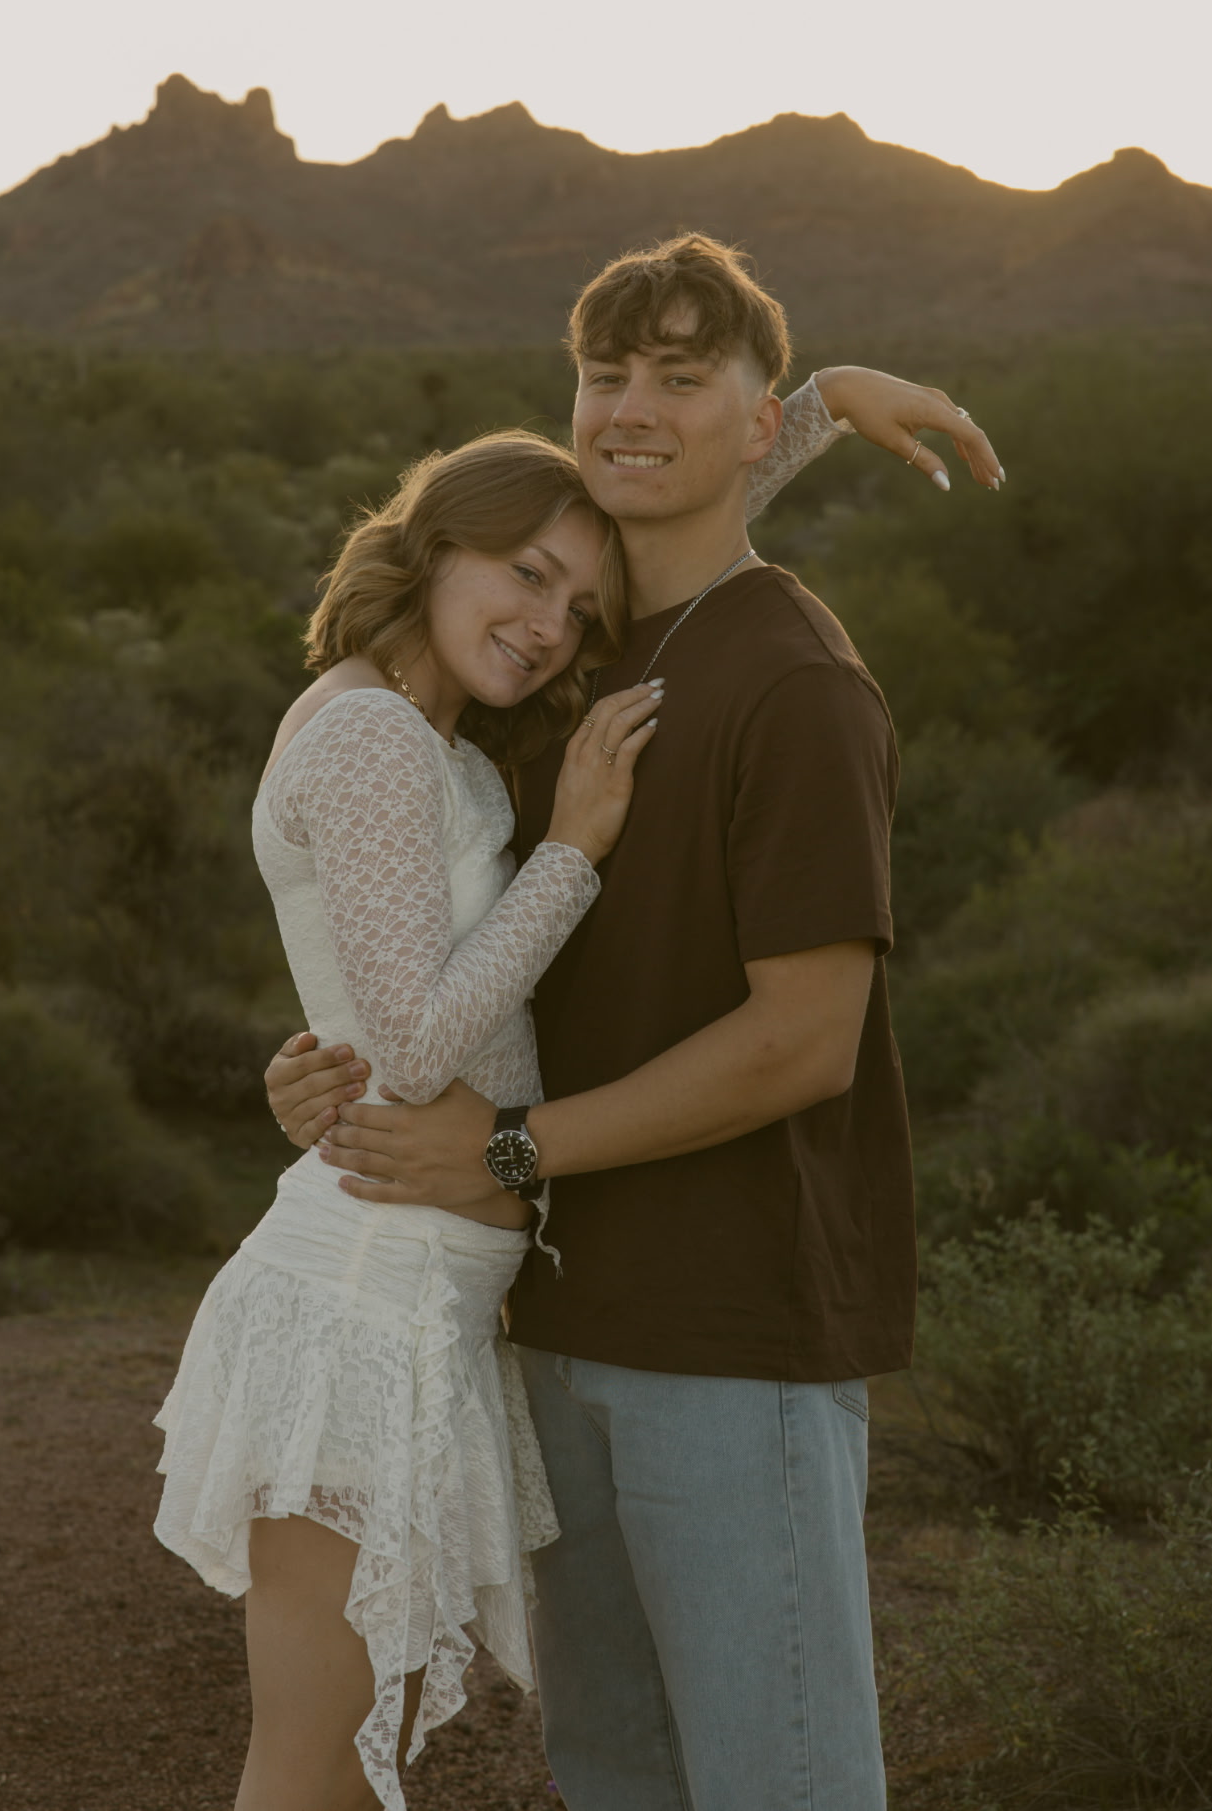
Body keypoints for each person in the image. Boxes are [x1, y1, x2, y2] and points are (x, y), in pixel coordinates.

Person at [265, 234, 1003, 1811]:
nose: (634, 408)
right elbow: (447, 968)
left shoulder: (794, 682)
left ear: (749, 418)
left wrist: (509, 1149)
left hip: (731, 1336)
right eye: (609, 377)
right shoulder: (557, 671)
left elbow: (801, 1041)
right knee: (618, 1777)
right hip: (554, 1331)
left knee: (777, 1783)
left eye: (686, 376)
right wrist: (337, 1069)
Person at [153, 433, 663, 1811]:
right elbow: (420, 1041)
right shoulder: (377, 733)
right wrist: (576, 850)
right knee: (306, 1762)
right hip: (362, 1300)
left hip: (415, 1292)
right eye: (524, 574)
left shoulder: (417, 725)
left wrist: (810, 408)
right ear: (437, 548)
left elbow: (667, 497)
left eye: (578, 609)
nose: (549, 626)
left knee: (338, 1767)